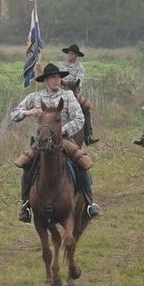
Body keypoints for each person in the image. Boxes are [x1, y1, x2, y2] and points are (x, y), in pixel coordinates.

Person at [12, 63, 101, 223]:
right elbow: (14, 114)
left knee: (81, 162)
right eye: (53, 77)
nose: (57, 80)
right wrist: (29, 112)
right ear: (46, 80)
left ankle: (89, 202)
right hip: (41, 143)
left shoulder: (68, 96)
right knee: (26, 164)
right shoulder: (35, 97)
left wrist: (63, 130)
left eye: (59, 77)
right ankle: (25, 204)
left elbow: (79, 118)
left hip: (64, 140)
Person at [57, 43, 99, 145]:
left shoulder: (80, 68)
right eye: (69, 53)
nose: (70, 55)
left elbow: (79, 81)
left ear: (76, 55)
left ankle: (88, 135)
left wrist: (69, 85)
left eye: (73, 54)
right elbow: (56, 77)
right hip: (60, 90)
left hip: (74, 91)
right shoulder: (60, 65)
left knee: (86, 107)